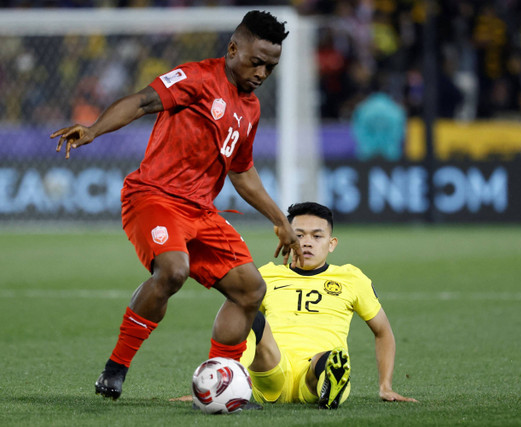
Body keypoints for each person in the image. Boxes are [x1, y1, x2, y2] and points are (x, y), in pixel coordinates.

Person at [50, 10, 303, 401]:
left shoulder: (249, 108)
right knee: (173, 270)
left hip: (201, 212)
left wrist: (280, 221)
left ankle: (223, 380)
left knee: (251, 290)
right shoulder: (197, 77)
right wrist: (94, 129)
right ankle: (115, 369)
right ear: (234, 48)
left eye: (271, 67)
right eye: (256, 62)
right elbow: (141, 102)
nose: (262, 73)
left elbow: (242, 171)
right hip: (153, 197)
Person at [242, 202, 417, 408]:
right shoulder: (266, 276)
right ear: (287, 238)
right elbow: (236, 325)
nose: (307, 243)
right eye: (299, 235)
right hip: (273, 370)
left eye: (317, 236)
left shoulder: (351, 279)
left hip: (316, 370)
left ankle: (329, 385)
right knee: (246, 314)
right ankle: (227, 385)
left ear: (331, 243)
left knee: (330, 359)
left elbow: (383, 332)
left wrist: (385, 386)